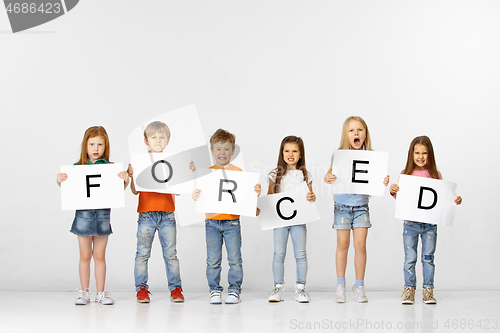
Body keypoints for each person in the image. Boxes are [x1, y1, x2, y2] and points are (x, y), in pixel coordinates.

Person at [57, 126, 129, 305]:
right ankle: (84, 292)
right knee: (84, 256)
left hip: (103, 217)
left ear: (106, 146)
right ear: (85, 146)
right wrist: (60, 181)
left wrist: (125, 180)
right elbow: (70, 191)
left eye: (100, 144)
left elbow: (116, 192)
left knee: (99, 255)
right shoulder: (77, 168)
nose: (96, 149)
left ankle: (101, 293)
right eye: (92, 144)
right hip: (83, 217)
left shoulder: (110, 168)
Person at [127, 121, 194, 303]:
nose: (158, 141)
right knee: (142, 253)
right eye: (154, 137)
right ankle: (141, 289)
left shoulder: (173, 161)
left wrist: (186, 173)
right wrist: (132, 176)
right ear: (146, 141)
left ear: (168, 140)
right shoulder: (139, 161)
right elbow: (135, 191)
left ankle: (176, 289)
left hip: (167, 215)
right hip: (146, 214)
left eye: (162, 137)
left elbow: (179, 190)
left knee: (170, 254)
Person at [390, 135, 462, 304]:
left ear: (430, 155)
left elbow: (441, 199)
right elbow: (403, 199)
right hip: (411, 223)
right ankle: (409, 289)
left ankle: (428, 290)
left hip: (430, 224)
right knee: (410, 257)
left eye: (424, 153)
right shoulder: (405, 174)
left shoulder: (436, 175)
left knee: (428, 257)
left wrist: (454, 200)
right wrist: (394, 191)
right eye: (417, 153)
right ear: (411, 154)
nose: (420, 157)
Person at [324, 116, 389, 303]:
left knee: (360, 246)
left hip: (361, 206)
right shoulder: (339, 155)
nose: (356, 133)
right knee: (342, 245)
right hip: (342, 206)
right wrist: (327, 177)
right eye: (352, 130)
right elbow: (330, 175)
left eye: (360, 130)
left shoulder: (372, 156)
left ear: (365, 133)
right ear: (346, 134)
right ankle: (340, 285)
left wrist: (382, 181)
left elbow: (376, 181)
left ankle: (359, 285)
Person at [192, 129, 261, 304]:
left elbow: (245, 196)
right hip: (212, 222)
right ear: (212, 151)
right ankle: (214, 289)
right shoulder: (207, 173)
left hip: (232, 223)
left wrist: (255, 193)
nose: (222, 153)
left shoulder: (239, 172)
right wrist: (196, 195)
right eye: (218, 149)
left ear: (233, 151)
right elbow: (200, 193)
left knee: (235, 259)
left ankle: (234, 290)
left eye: (226, 149)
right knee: (213, 260)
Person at [266, 136, 316, 303]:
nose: (290, 154)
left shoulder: (305, 175)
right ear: (282, 153)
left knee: (300, 254)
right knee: (279, 254)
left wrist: (312, 196)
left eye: (294, 151)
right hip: (280, 222)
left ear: (301, 154)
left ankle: (300, 289)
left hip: (299, 221)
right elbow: (269, 197)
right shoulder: (275, 174)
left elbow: (310, 196)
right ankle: (278, 287)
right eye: (287, 150)